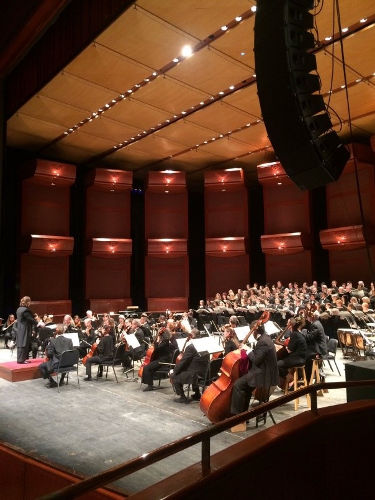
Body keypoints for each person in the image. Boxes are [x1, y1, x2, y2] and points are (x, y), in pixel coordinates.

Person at [230, 323, 279, 417]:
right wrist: (248, 349)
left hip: (264, 374)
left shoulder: (263, 342)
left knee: (238, 385)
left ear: (255, 331)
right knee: (246, 388)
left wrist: (247, 350)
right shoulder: (265, 338)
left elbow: (256, 360)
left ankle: (236, 418)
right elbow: (259, 354)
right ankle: (244, 415)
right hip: (265, 371)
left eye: (252, 331)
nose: (252, 333)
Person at [170, 328, 209, 403]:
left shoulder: (191, 347)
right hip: (205, 372)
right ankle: (197, 394)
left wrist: (174, 371)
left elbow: (183, 362)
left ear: (191, 336)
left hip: (195, 375)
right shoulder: (204, 344)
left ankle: (182, 397)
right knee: (192, 368)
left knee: (174, 376)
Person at [39, 324, 74, 388]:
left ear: (56, 331)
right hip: (68, 364)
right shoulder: (69, 340)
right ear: (63, 331)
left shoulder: (53, 340)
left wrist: (47, 349)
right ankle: (62, 380)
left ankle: (52, 382)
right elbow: (71, 353)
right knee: (65, 358)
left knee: (41, 366)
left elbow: (49, 354)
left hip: (58, 365)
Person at [277, 317, 307, 388]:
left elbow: (289, 350)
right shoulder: (298, 333)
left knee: (277, 365)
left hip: (297, 359)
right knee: (281, 362)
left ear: (292, 325)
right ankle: (287, 380)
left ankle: (290, 378)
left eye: (288, 323)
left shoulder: (294, 334)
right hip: (301, 358)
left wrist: (283, 347)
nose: (287, 324)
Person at [15, 296, 37, 364]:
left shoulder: (19, 309)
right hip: (24, 329)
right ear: (27, 302)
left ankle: (21, 359)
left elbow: (26, 318)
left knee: (20, 343)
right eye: (29, 302)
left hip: (19, 328)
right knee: (24, 343)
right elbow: (30, 319)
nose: (30, 303)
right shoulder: (25, 310)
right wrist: (38, 323)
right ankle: (21, 360)